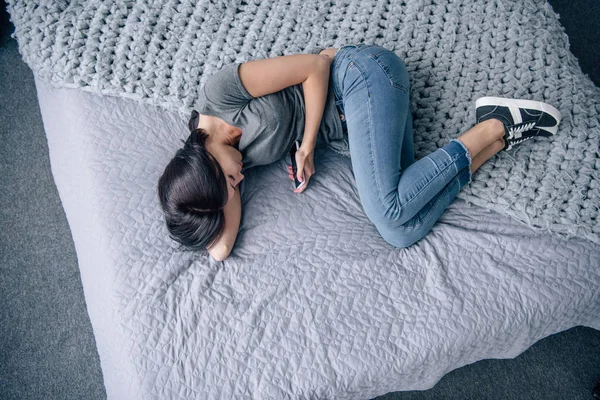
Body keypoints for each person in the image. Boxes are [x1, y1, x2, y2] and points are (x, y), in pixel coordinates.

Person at [157, 44, 562, 261]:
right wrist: (200, 212)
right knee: (399, 231)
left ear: (205, 163)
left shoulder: (220, 94)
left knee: (388, 210)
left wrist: (308, 144)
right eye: (234, 188)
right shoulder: (217, 179)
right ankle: (495, 136)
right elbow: (220, 250)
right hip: (363, 124)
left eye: (231, 179)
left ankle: (492, 127)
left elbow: (315, 65)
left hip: (360, 78)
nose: (241, 180)